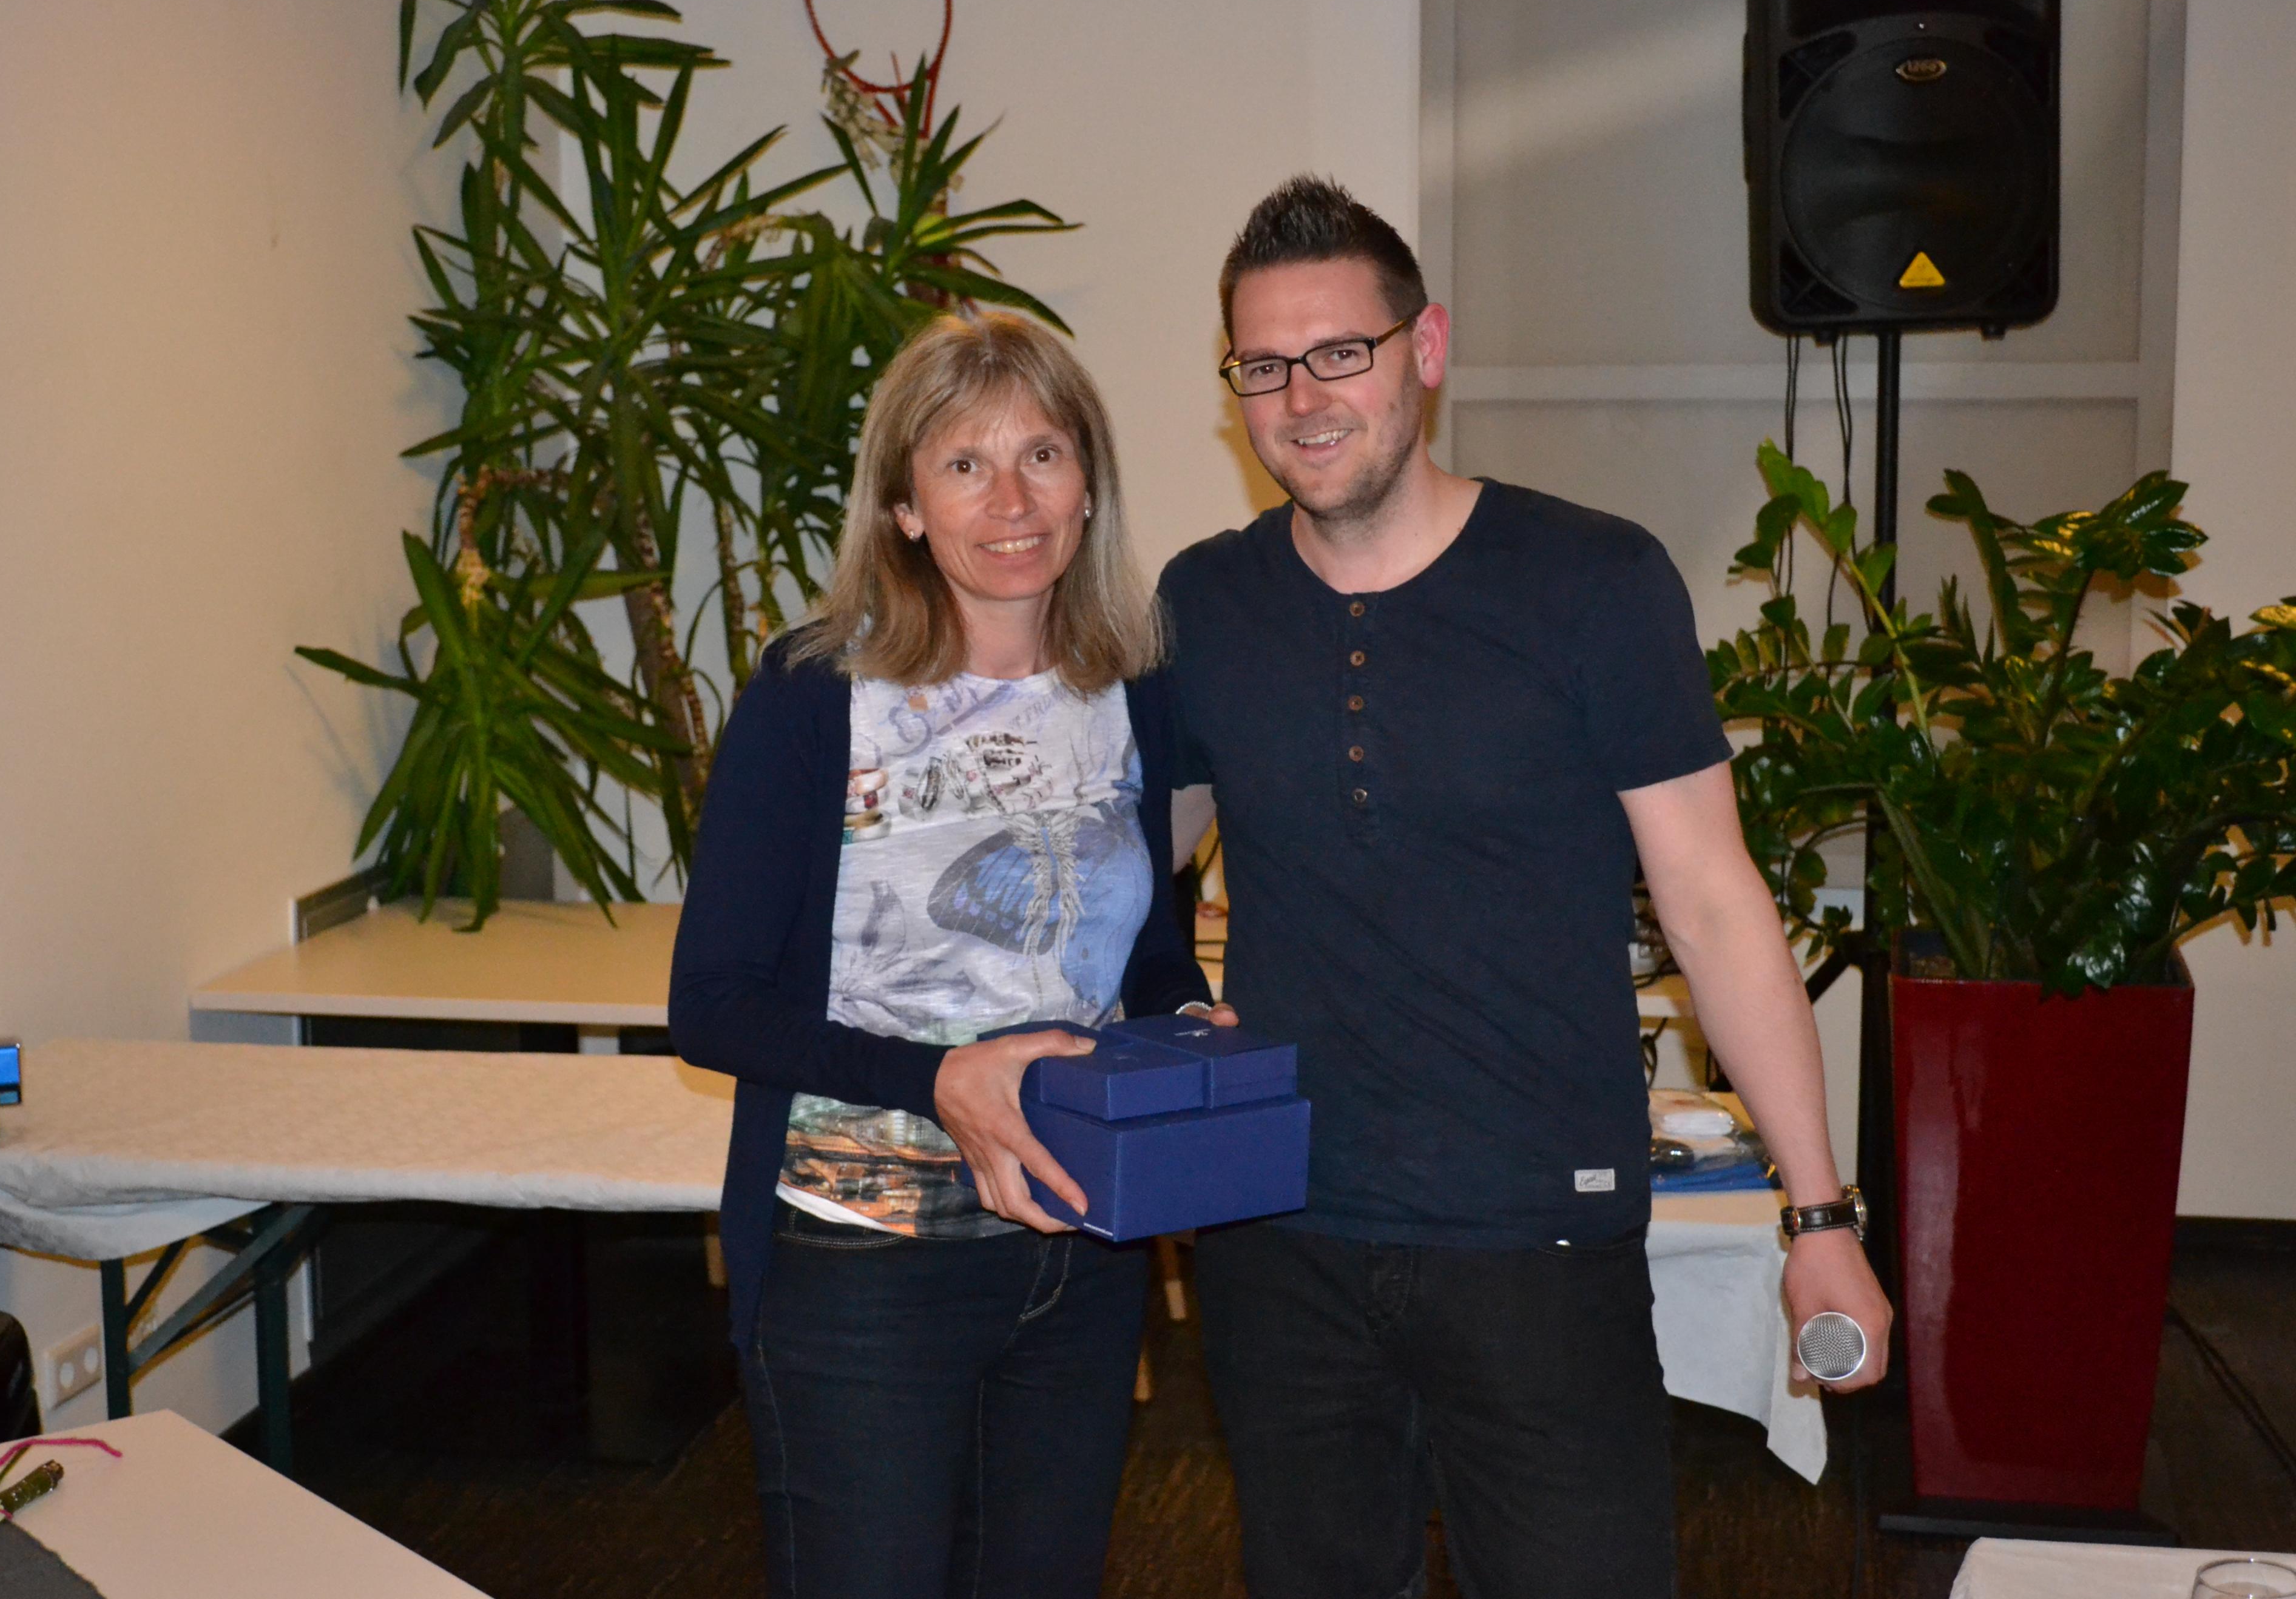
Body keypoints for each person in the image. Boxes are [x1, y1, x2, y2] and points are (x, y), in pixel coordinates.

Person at [1160, 175, 1893, 1598]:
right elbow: (1122, 874)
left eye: (1340, 352)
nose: (1302, 397)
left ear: (1425, 348)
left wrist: (1816, 1217)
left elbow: (1713, 906)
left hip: (1538, 1232)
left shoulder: (1592, 583)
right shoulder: (1204, 602)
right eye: (1262, 365)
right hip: (1277, 1235)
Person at [669, 310, 1214, 1599]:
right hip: (862, 1263)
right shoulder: (814, 695)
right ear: (906, 508)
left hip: (1080, 1247)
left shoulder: (1133, 686)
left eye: (1043, 456)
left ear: (1089, 486)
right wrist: (936, 1080)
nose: (1011, 501)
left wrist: (1188, 1026)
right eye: (965, 465)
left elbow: (1146, 952)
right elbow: (712, 1006)